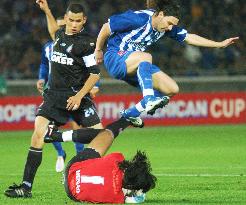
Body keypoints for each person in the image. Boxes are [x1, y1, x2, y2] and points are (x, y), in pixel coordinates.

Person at [4, 0, 104, 198]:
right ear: (65, 19)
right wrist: (47, 10)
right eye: (71, 20)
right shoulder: (59, 35)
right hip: (54, 97)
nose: (74, 24)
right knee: (37, 134)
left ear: (84, 20)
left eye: (78, 21)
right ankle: (25, 187)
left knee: (101, 136)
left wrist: (80, 95)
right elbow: (53, 31)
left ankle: (60, 139)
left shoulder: (87, 43)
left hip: (77, 97)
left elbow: (95, 74)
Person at [94, 0, 239, 118]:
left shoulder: (165, 28)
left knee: (172, 89)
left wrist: (219, 44)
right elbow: (107, 27)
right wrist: (98, 49)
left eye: (173, 25)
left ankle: (132, 113)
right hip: (115, 58)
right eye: (169, 23)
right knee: (146, 57)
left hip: (135, 63)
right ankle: (149, 99)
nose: (170, 28)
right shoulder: (138, 19)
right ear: (161, 14)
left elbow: (189, 37)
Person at [36, 16, 99, 172]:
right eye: (59, 27)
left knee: (78, 126)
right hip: (53, 91)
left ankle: (78, 162)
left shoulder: (77, 46)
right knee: (48, 127)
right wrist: (41, 79)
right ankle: (60, 153)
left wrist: (95, 85)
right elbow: (44, 65)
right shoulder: (47, 48)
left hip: (73, 91)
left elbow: (89, 69)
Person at [42, 117, 153, 204]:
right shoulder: (118, 198)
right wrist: (139, 193)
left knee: (107, 133)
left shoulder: (116, 160)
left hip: (74, 169)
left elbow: (119, 160)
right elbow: (133, 199)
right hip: (72, 193)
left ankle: (125, 120)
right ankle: (127, 121)